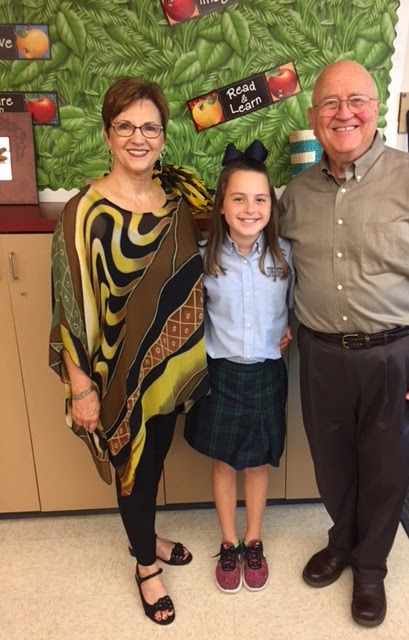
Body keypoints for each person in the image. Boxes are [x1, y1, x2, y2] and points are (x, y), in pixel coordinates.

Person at [278, 60, 409, 627]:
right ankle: (342, 541)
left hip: (399, 355)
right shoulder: (295, 195)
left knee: (387, 468)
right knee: (331, 463)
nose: (343, 113)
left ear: (376, 110)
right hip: (320, 355)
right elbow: (281, 270)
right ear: (314, 116)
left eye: (356, 101)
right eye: (330, 103)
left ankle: (370, 567)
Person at [49, 77, 211, 625]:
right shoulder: (83, 214)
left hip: (163, 370)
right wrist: (81, 388)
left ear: (163, 136)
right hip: (112, 375)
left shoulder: (176, 204)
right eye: (125, 126)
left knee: (154, 459)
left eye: (150, 128)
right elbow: (69, 309)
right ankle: (146, 566)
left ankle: (144, 535)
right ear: (107, 134)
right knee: (133, 468)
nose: (138, 138)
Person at [184, 141, 294, 594]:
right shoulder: (205, 256)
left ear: (271, 205)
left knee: (258, 462)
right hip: (221, 374)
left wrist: (294, 329)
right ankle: (228, 542)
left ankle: (254, 540)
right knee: (225, 461)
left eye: (260, 199)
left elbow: (299, 305)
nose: (250, 209)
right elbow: (191, 316)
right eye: (239, 199)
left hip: (267, 372)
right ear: (222, 206)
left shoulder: (285, 255)